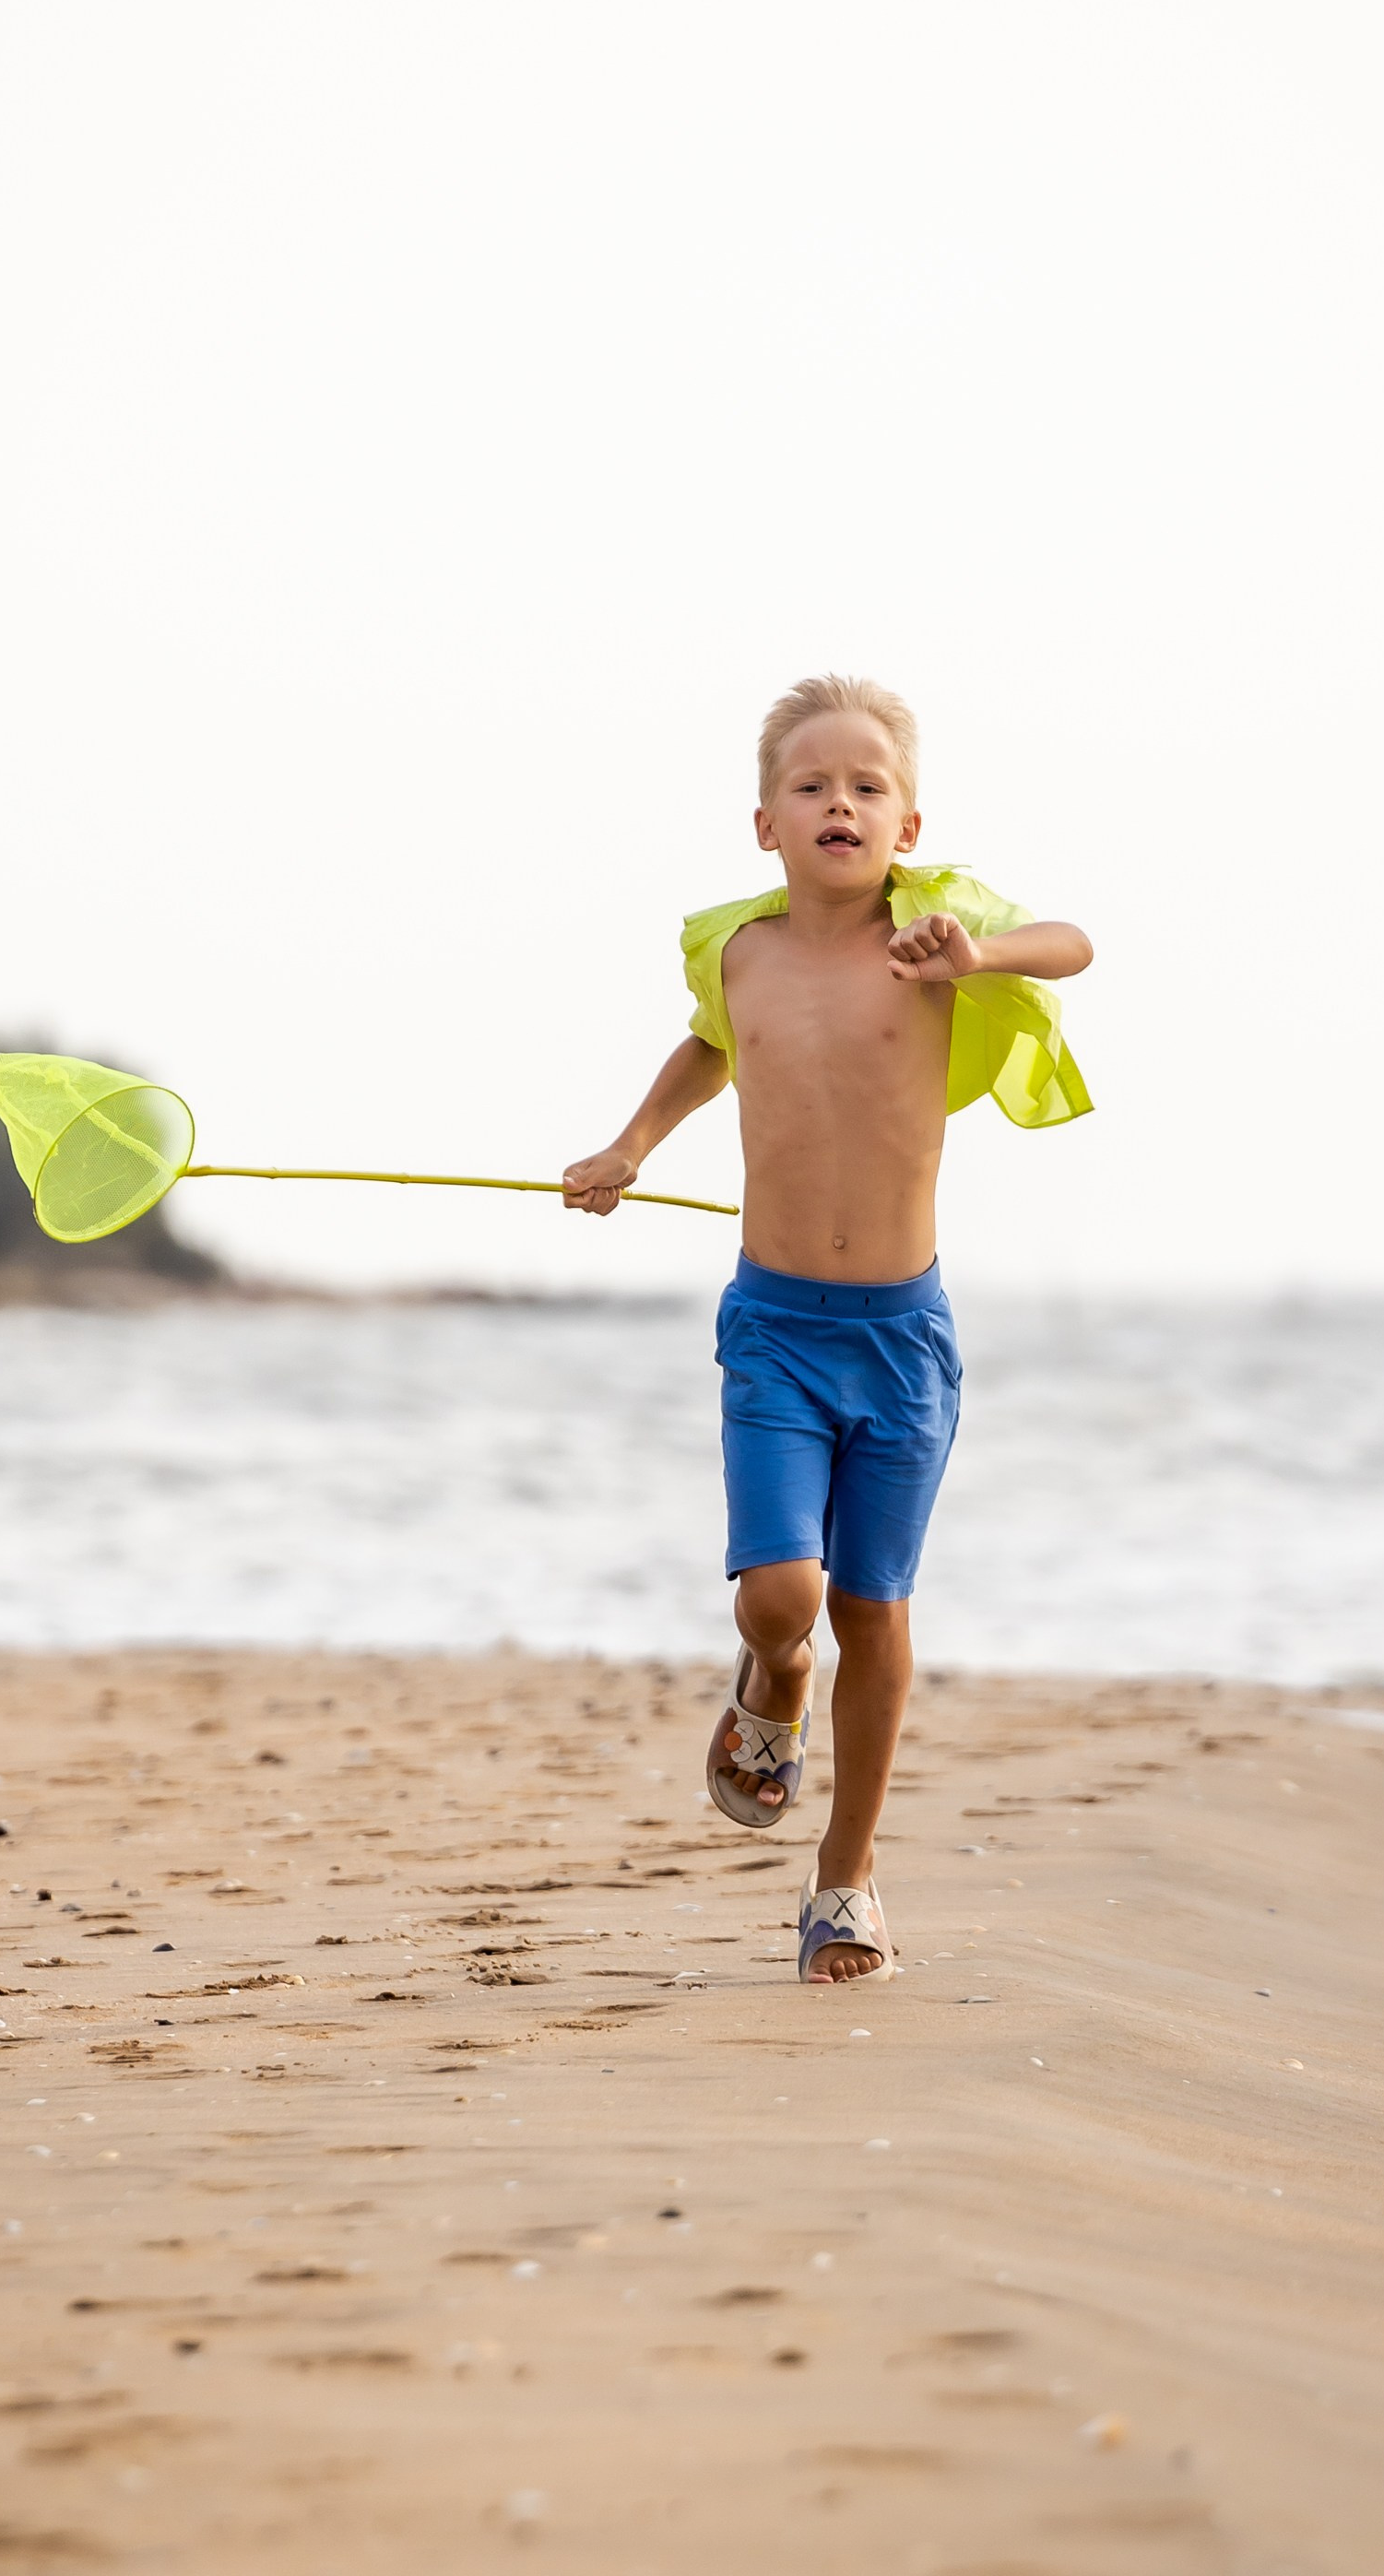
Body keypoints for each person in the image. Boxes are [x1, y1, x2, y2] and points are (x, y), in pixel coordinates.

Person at [562, 676, 1094, 1983]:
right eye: (813, 786)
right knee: (783, 1598)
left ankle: (844, 1879)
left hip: (902, 1335)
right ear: (766, 825)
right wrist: (629, 1145)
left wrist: (983, 958)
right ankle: (772, 1683)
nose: (840, 804)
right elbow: (709, 1045)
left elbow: (1073, 943)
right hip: (778, 1325)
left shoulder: (935, 932)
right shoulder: (741, 954)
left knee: (876, 1607)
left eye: (867, 787)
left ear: (909, 826)